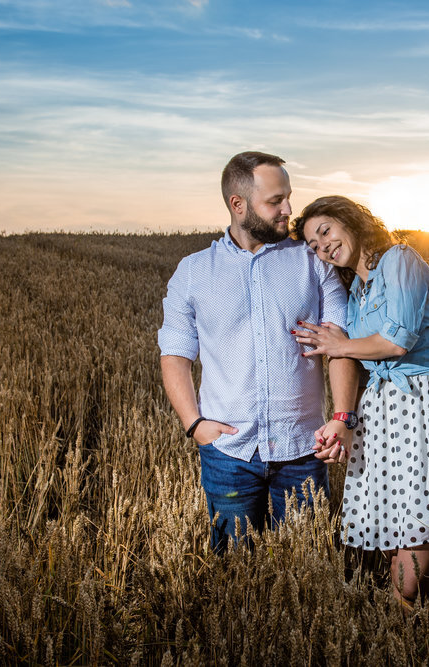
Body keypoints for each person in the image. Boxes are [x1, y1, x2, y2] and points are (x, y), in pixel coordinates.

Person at [291, 195, 429, 606]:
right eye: (313, 244)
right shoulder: (358, 291)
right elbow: (353, 357)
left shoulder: (402, 259)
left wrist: (340, 345)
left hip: (422, 407)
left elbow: (397, 342)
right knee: (391, 540)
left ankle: (412, 616)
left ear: (350, 220)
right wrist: (343, 416)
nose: (322, 246)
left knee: (406, 573)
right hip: (381, 414)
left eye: (325, 231)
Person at [158, 152, 358, 555]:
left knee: (308, 569)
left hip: (304, 445)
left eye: (289, 197)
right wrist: (194, 424)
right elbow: (175, 353)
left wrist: (342, 416)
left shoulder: (312, 261)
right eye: (275, 201)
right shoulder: (194, 272)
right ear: (238, 204)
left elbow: (340, 344)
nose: (289, 210)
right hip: (229, 452)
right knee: (234, 574)